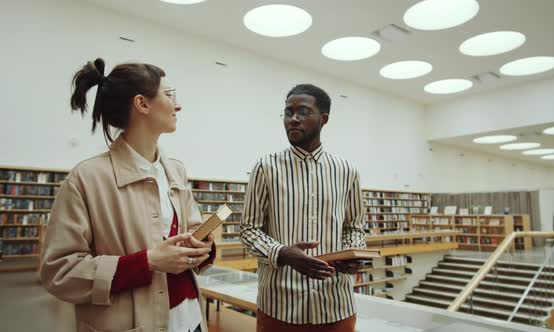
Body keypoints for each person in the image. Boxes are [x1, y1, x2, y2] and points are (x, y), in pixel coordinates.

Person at [40, 58, 215, 332]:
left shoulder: (176, 171)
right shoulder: (85, 179)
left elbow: (192, 227)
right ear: (142, 104)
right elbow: (59, 272)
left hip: (191, 318)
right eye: (169, 95)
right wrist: (147, 262)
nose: (178, 105)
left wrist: (203, 248)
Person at [240, 84, 366, 332]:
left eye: (303, 112)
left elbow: (355, 227)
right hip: (279, 306)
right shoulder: (266, 167)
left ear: (324, 119)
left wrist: (353, 254)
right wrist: (282, 253)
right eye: (288, 113)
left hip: (336, 305)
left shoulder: (347, 171)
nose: (293, 119)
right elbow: (248, 230)